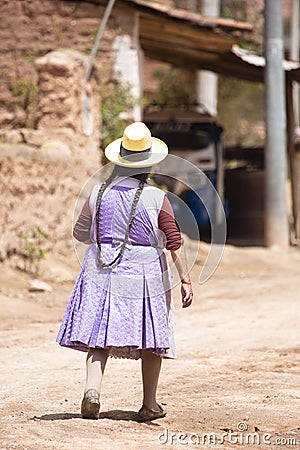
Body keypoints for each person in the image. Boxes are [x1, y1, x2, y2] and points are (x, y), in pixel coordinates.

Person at [56, 122, 193, 421]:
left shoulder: (96, 194)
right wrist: (184, 279)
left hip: (101, 267)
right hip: (144, 273)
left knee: (98, 334)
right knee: (150, 338)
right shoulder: (157, 198)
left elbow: (80, 233)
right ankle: (149, 404)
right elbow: (173, 240)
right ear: (149, 164)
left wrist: (109, 238)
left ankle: (92, 391)